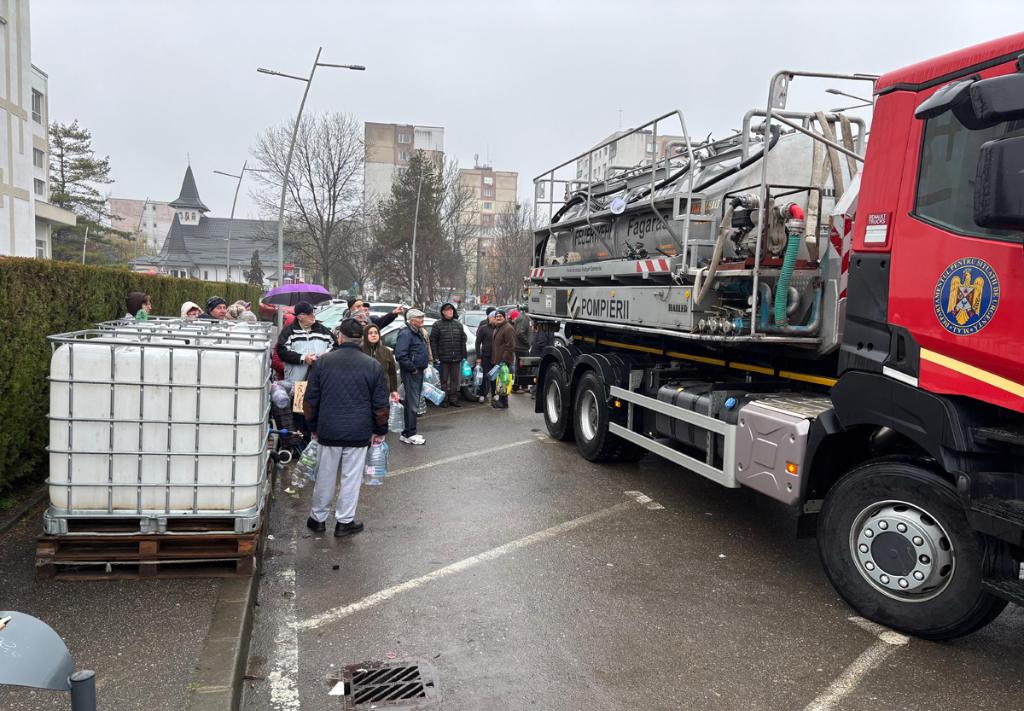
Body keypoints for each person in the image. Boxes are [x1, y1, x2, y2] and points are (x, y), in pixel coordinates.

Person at [303, 318, 389, 537]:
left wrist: (312, 426)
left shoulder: (322, 363)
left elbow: (310, 399)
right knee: (351, 477)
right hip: (359, 431)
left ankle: (318, 518)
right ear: (360, 339)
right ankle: (344, 522)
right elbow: (380, 403)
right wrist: (380, 430)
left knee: (325, 475)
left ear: (339, 337)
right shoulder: (372, 365)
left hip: (328, 429)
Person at [394, 308, 431, 444]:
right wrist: (413, 369)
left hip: (417, 371)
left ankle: (406, 433)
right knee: (412, 404)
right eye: (419, 318)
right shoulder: (406, 333)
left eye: (422, 317)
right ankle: (410, 434)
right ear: (411, 320)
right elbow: (401, 355)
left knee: (411, 402)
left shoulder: (417, 332)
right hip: (412, 373)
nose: (422, 320)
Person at [275, 301, 334, 383]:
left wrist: (326, 355)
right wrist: (303, 358)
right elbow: (282, 352)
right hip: (295, 382)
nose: (313, 315)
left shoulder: (324, 331)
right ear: (299, 317)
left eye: (313, 312)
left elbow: (336, 346)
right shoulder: (289, 332)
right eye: (309, 314)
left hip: (319, 381)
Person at [429, 302, 467, 408]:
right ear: (443, 312)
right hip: (443, 357)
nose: (450, 312)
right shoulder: (437, 324)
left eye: (451, 310)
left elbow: (463, 340)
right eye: (448, 310)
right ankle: (444, 399)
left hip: (457, 357)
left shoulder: (458, 324)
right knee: (443, 380)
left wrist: (464, 356)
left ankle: (453, 399)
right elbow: (433, 341)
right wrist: (436, 356)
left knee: (455, 380)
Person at [361, 323, 400, 403]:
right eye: (370, 333)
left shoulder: (386, 351)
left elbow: (392, 373)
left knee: (382, 414)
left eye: (376, 333)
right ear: (365, 336)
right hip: (364, 391)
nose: (374, 335)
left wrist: (394, 390)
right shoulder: (360, 351)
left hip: (383, 390)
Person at [490, 310, 516, 409]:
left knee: (504, 380)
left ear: (504, 317)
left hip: (504, 360)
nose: (499, 318)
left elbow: (511, 346)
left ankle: (503, 402)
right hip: (498, 359)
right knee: (501, 380)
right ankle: (502, 401)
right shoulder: (498, 327)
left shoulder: (508, 328)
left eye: (501, 316)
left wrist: (504, 360)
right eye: (497, 316)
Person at [474, 307, 496, 403]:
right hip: (486, 356)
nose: (495, 319)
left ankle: (494, 394)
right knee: (484, 376)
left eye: (496, 317)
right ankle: (482, 394)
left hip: (496, 357)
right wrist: (478, 357)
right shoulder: (483, 328)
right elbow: (477, 343)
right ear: (489, 318)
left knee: (494, 376)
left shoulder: (499, 328)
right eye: (493, 317)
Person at [512, 306, 533, 392]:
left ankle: (523, 386)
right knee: (521, 368)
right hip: (521, 347)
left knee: (523, 368)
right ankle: (516, 386)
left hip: (521, 347)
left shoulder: (524, 318)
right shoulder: (524, 318)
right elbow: (520, 333)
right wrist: (528, 343)